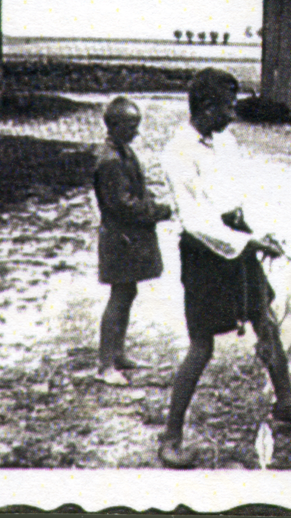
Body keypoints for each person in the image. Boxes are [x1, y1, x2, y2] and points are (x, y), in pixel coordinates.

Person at [158, 68, 291, 469]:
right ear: (205, 107)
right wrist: (246, 241)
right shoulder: (177, 153)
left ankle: (286, 402)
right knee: (202, 344)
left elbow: (237, 198)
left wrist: (258, 232)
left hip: (238, 238)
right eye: (228, 107)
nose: (233, 115)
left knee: (265, 320)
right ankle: (171, 435)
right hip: (204, 252)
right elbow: (196, 220)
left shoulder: (226, 143)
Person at [93, 96, 173, 386]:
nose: (136, 132)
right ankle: (105, 365)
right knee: (119, 297)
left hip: (127, 238)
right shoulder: (111, 160)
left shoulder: (122, 151)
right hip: (120, 238)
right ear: (114, 125)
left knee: (126, 294)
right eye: (130, 125)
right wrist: (160, 211)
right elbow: (123, 204)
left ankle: (118, 353)